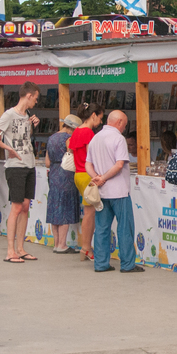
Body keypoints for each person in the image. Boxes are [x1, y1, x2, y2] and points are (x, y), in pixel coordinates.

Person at [0, 82, 42, 262]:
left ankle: (20, 247)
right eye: (35, 97)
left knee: (25, 206)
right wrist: (6, 148)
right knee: (17, 207)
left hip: (29, 163)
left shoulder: (26, 115)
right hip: (15, 165)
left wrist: (33, 124)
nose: (36, 101)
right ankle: (10, 250)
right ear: (29, 95)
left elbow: (24, 137)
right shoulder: (9, 114)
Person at [87, 110, 140, 273]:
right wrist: (104, 177)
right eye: (124, 124)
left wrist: (97, 177)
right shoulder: (118, 138)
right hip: (119, 191)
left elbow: (87, 164)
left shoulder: (95, 138)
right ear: (118, 122)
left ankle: (101, 263)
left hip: (101, 193)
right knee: (124, 227)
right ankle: (127, 264)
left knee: (102, 228)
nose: (124, 128)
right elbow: (119, 165)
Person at [69, 103, 104, 260]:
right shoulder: (89, 133)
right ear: (94, 115)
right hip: (87, 174)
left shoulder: (76, 130)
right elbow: (93, 156)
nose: (101, 122)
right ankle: (86, 247)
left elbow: (70, 148)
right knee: (90, 214)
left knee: (88, 212)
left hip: (78, 173)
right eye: (100, 118)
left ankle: (85, 248)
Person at [45, 114, 82, 254]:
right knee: (65, 207)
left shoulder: (51, 138)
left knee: (55, 207)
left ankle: (56, 243)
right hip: (66, 173)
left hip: (53, 173)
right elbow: (72, 155)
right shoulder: (69, 139)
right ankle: (62, 244)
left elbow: (47, 162)